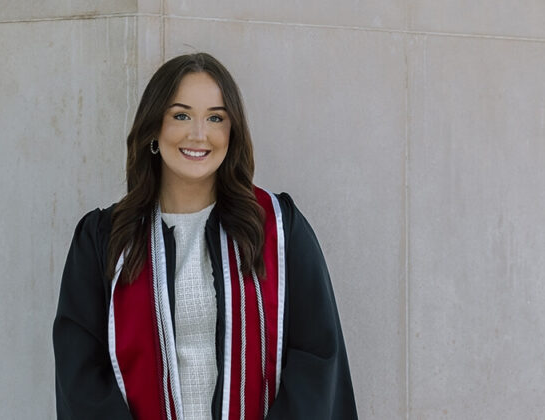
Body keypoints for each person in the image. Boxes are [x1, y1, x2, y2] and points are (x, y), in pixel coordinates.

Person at [53, 52, 357, 420]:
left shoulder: (276, 229)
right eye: (181, 115)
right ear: (154, 128)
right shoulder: (105, 240)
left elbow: (316, 357)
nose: (199, 134)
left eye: (215, 118)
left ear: (232, 132)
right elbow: (81, 372)